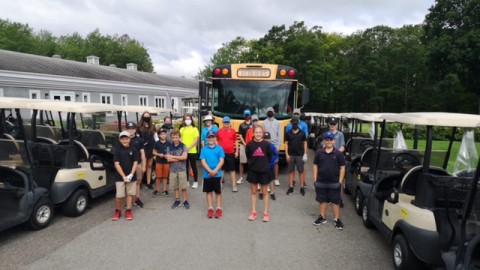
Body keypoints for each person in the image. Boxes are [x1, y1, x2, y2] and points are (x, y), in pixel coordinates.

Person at [313, 131, 346, 230]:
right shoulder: (319, 153)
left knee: (335, 201)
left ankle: (337, 219)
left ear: (334, 141)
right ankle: (322, 217)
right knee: (322, 200)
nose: (328, 142)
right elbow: (315, 165)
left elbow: (342, 167)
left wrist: (340, 181)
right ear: (324, 141)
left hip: (334, 182)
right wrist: (315, 179)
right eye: (326, 140)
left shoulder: (338, 154)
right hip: (321, 181)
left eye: (330, 140)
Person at [246, 126, 273, 222]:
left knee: (265, 192)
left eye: (260, 132)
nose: (258, 134)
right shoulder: (249, 145)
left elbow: (270, 156)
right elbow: (248, 156)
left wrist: (264, 165)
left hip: (264, 171)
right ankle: (253, 211)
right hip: (253, 171)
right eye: (256, 132)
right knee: (254, 192)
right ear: (253, 133)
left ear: (262, 133)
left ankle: (266, 213)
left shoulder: (266, 145)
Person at [112, 131, 140, 221]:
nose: (125, 140)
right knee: (119, 196)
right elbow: (117, 164)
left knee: (130, 194)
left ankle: (128, 210)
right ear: (120, 140)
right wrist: (124, 176)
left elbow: (135, 162)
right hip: (120, 176)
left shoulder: (134, 149)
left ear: (129, 139)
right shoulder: (117, 150)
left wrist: (131, 174)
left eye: (126, 138)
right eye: (122, 139)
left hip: (131, 175)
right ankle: (118, 211)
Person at [200, 130, 225, 218]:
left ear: (215, 138)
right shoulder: (203, 149)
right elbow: (203, 161)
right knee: (209, 192)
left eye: (212, 137)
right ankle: (210, 208)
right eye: (209, 137)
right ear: (207, 139)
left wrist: (215, 171)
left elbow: (221, 160)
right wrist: (210, 171)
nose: (211, 139)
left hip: (217, 174)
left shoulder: (219, 148)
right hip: (207, 174)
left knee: (218, 192)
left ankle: (218, 208)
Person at [165, 131, 190, 209]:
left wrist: (173, 157)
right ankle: (177, 200)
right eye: (173, 138)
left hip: (182, 169)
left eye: (176, 137)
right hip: (173, 170)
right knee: (175, 186)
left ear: (179, 138)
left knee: (183, 186)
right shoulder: (169, 147)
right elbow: (168, 159)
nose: (175, 139)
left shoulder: (183, 146)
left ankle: (185, 200)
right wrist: (179, 158)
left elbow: (184, 157)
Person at [126, 121, 146, 208]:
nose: (131, 130)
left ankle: (137, 199)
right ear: (126, 129)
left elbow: (142, 153)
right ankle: (128, 201)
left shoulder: (139, 140)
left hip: (137, 164)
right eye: (129, 128)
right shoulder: (123, 139)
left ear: (135, 129)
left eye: (133, 128)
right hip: (126, 165)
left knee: (138, 182)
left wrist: (144, 165)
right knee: (127, 183)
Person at [285, 117, 307, 196]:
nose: (294, 125)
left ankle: (302, 187)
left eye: (296, 124)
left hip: (300, 155)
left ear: (298, 124)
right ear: (291, 124)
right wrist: (286, 154)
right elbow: (286, 143)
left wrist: (305, 153)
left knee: (301, 171)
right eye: (293, 123)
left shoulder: (302, 133)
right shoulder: (288, 133)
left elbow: (305, 143)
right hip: (291, 155)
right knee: (291, 171)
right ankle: (291, 187)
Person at [216, 116, 239, 192]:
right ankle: (219, 185)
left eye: (227, 122)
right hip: (221, 154)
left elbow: (236, 141)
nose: (226, 124)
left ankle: (234, 185)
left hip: (231, 153)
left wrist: (236, 151)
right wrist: (217, 150)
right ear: (222, 123)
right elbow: (216, 140)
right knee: (221, 169)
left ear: (229, 123)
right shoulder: (219, 131)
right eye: (225, 122)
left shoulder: (233, 131)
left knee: (232, 170)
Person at [262, 107, 281, 186]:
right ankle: (265, 178)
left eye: (271, 111)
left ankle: (276, 178)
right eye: (269, 111)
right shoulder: (264, 122)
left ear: (274, 112)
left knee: (275, 162)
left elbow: (279, 135)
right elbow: (263, 134)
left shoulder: (277, 122)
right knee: (265, 162)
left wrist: (278, 145)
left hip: (275, 144)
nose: (270, 113)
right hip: (266, 144)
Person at [179, 114, 200, 189]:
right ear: (184, 120)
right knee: (185, 166)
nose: (187, 120)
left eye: (189, 119)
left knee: (194, 166)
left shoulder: (195, 129)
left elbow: (196, 140)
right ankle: (186, 181)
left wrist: (189, 147)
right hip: (184, 151)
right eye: (186, 119)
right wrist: (185, 148)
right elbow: (180, 139)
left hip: (192, 151)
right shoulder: (182, 129)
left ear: (191, 120)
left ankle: (195, 181)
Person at [137, 112, 156, 190]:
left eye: (148, 117)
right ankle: (139, 182)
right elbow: (137, 138)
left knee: (149, 166)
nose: (147, 118)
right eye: (145, 116)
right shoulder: (139, 127)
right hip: (142, 148)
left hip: (151, 148)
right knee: (142, 167)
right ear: (142, 117)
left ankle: (149, 183)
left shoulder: (152, 126)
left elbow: (156, 137)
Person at [152, 128, 171, 197]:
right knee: (158, 177)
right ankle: (157, 190)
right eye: (161, 134)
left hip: (166, 162)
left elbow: (170, 152)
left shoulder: (169, 143)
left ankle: (164, 190)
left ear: (166, 135)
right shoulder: (156, 143)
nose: (163, 135)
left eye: (164, 134)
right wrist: (159, 154)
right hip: (158, 161)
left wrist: (168, 155)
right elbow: (153, 152)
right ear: (159, 135)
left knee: (165, 177)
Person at [237, 109, 252, 184]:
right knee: (242, 162)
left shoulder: (253, 124)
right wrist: (245, 143)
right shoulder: (241, 125)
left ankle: (252, 177)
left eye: (248, 115)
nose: (247, 116)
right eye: (245, 115)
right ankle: (241, 177)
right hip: (243, 145)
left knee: (252, 161)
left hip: (252, 145)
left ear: (250, 115)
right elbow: (240, 135)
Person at [263, 132, 278, 201]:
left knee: (271, 180)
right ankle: (261, 192)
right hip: (262, 166)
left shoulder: (272, 146)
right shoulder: (261, 146)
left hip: (270, 166)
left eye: (268, 138)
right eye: (265, 138)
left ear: (270, 139)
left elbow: (275, 155)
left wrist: (271, 161)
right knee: (262, 180)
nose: (266, 140)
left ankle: (272, 193)